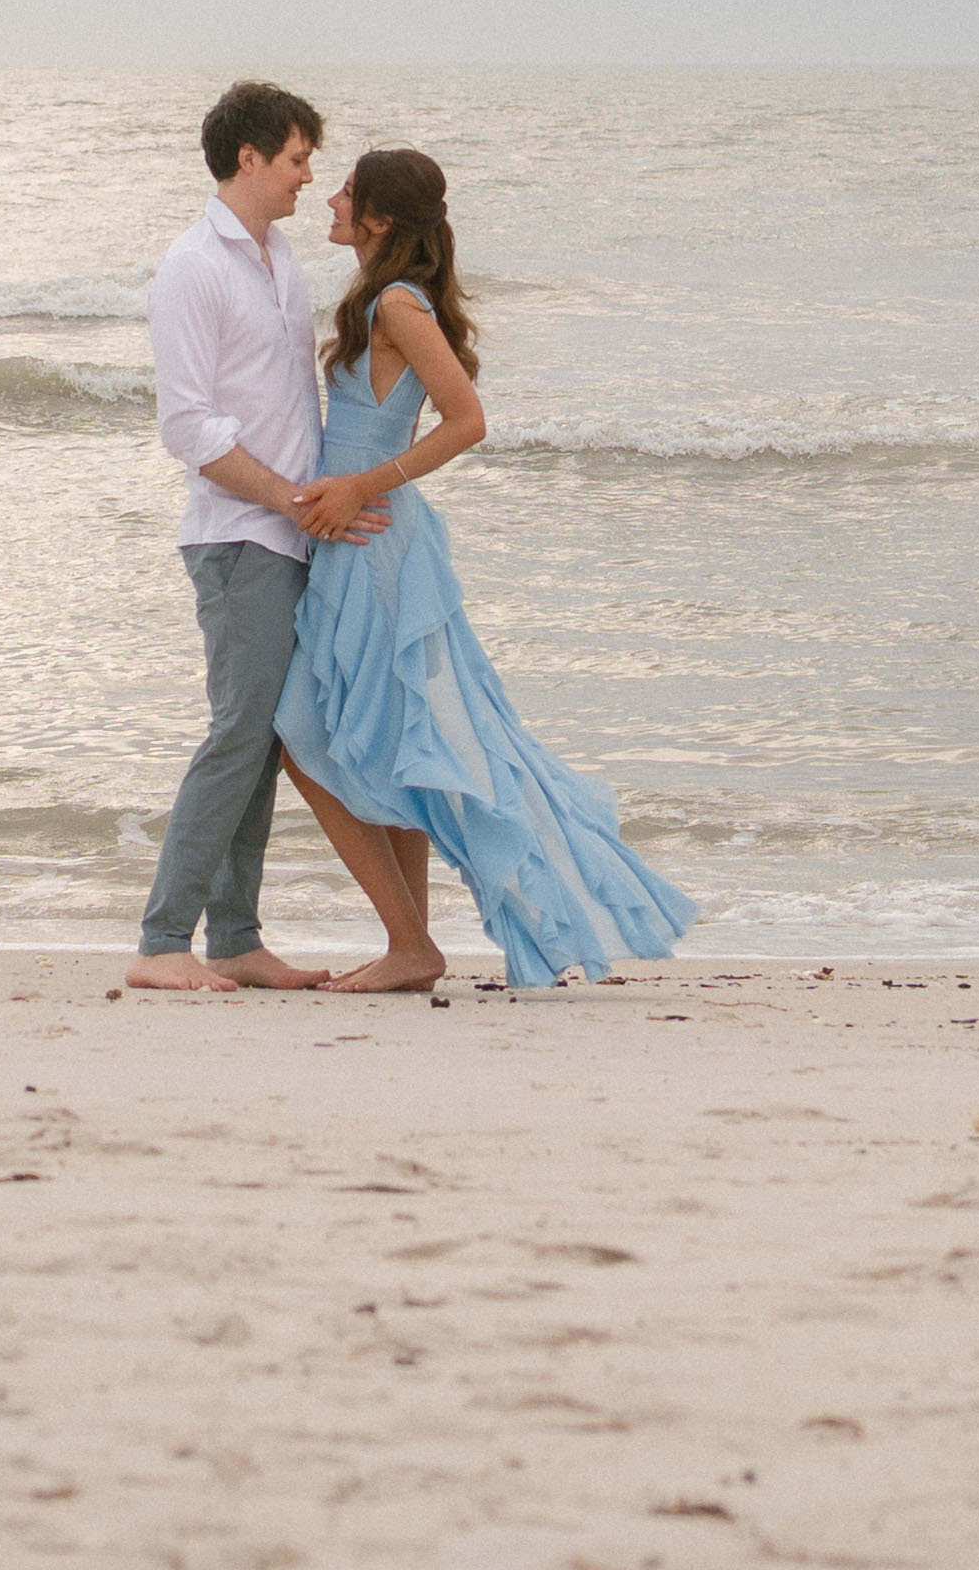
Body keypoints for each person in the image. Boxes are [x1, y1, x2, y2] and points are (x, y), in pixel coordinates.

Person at [270, 143, 688, 994]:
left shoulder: (395, 303)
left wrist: (357, 484)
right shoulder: (380, 298)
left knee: (306, 742)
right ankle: (410, 947)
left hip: (376, 541)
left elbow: (466, 419)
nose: (332, 200)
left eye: (347, 190)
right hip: (363, 540)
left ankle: (409, 943)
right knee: (395, 741)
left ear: (379, 218)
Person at [125, 77, 376, 989]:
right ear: (249, 156)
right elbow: (187, 426)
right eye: (298, 158)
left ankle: (232, 937)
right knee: (239, 730)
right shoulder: (193, 266)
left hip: (287, 534)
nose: (309, 177)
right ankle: (161, 942)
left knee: (264, 737)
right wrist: (286, 497)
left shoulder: (280, 262)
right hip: (237, 535)